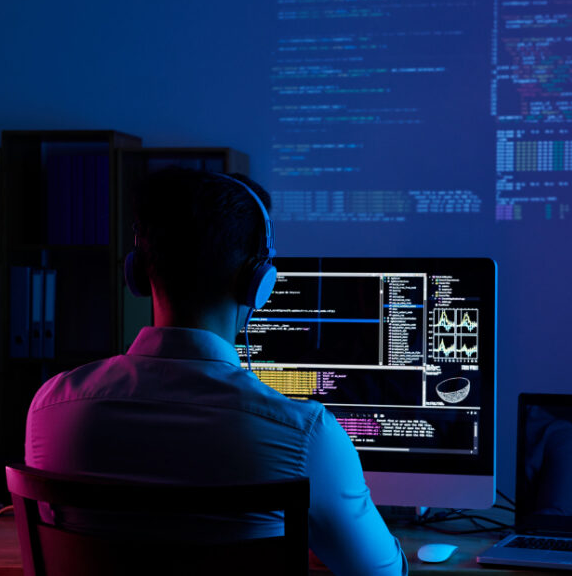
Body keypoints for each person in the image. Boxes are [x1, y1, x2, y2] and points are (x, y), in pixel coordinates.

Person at [25, 167, 407, 575]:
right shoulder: (308, 437)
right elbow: (381, 573)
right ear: (258, 282)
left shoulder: (52, 409)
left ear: (138, 271)